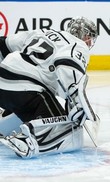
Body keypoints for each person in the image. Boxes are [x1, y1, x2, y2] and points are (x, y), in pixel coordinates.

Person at [0, 17, 99, 158]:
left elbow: (4, 45)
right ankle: (29, 142)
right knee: (70, 131)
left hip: (3, 80)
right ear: (85, 36)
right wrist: (78, 102)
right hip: (27, 87)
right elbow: (66, 63)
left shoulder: (43, 32)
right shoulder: (78, 45)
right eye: (89, 38)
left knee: (28, 109)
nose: (89, 42)